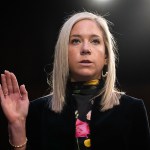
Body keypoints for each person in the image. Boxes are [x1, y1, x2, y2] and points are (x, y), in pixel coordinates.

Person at [0, 11, 150, 150]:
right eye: (76, 41)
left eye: (95, 41)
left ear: (106, 57)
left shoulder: (132, 109)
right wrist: (17, 125)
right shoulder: (36, 111)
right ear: (63, 53)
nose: (85, 48)